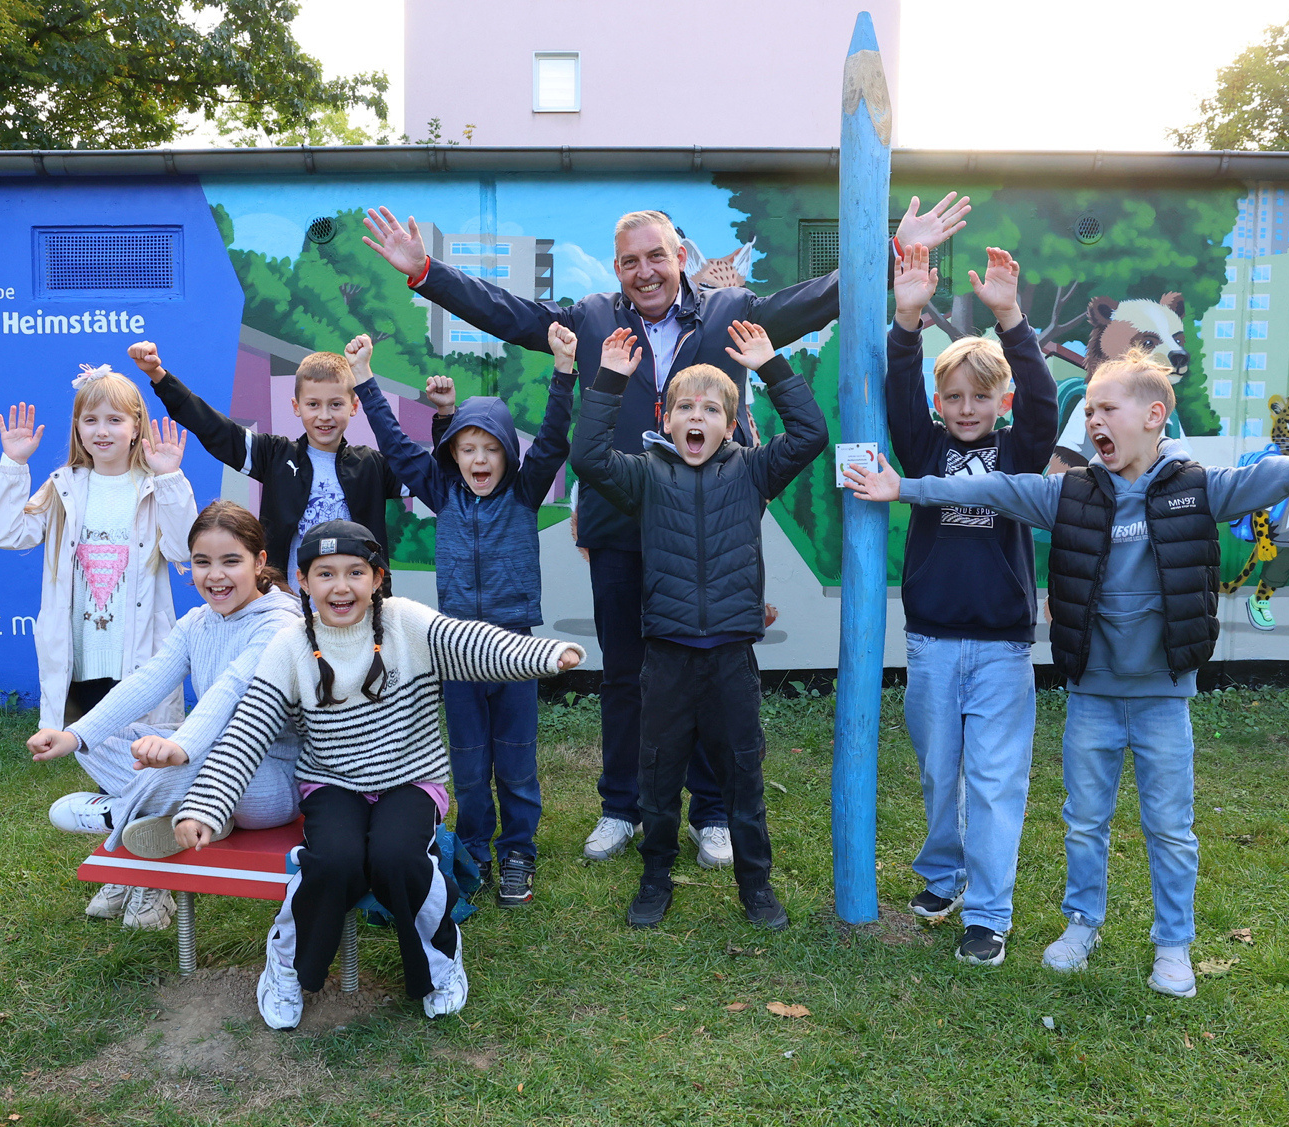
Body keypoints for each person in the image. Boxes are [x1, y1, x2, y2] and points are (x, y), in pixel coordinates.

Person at [843, 351, 1289, 995]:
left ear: (1154, 415)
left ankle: (1173, 944)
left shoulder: (1199, 488)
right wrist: (905, 488)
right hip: (1092, 697)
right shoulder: (1068, 495)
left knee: (1170, 828)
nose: (1092, 420)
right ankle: (1082, 924)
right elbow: (987, 488)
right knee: (1084, 823)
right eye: (1089, 410)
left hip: (1162, 700)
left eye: (1106, 408)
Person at [363, 194, 970, 867]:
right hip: (620, 522)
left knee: (710, 670)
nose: (645, 271)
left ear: (681, 257)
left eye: (657, 256)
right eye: (631, 262)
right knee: (625, 673)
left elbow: (817, 299)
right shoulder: (591, 320)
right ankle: (621, 806)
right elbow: (510, 315)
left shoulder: (731, 313)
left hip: (714, 528)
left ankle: (709, 813)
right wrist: (426, 272)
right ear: (616, 269)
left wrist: (891, 255)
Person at [172, 521, 584, 1029]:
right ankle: (285, 965)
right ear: (303, 581)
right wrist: (206, 805)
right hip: (332, 781)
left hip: (410, 778)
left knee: (398, 855)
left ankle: (440, 963)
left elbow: (475, 644)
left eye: (355, 573)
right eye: (325, 574)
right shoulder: (289, 646)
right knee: (333, 860)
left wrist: (543, 654)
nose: (340, 587)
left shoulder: (407, 624)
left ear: (378, 578)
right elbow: (248, 728)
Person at [570, 319, 826, 930]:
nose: (697, 417)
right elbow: (586, 455)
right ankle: (655, 876)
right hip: (667, 655)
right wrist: (609, 380)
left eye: (712, 409)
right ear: (665, 418)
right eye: (685, 406)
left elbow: (811, 433)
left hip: (731, 656)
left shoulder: (754, 471)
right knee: (658, 774)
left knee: (742, 770)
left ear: (732, 424)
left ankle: (756, 886)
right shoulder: (646, 476)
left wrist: (772, 367)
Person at [342, 326, 578, 907]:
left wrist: (565, 370)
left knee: (516, 759)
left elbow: (552, 439)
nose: (479, 458)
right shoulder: (443, 493)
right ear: (453, 455)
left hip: (516, 647)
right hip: (457, 648)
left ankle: (518, 850)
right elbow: (397, 446)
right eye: (467, 448)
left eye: (490, 447)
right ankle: (474, 846)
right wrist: (366, 380)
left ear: (507, 453)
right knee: (469, 761)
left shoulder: (524, 492)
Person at [885, 243, 1059, 966]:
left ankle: (988, 914)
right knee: (938, 772)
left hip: (1001, 647)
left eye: (979, 397)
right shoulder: (924, 452)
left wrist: (1010, 317)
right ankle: (943, 876)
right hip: (931, 641)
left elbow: (1047, 402)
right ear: (938, 402)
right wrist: (906, 318)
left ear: (1001, 401)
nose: (965, 409)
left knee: (994, 781)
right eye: (953, 397)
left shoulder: (1019, 455)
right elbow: (897, 391)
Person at [22, 502, 304, 927]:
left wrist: (179, 747)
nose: (215, 576)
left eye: (231, 561)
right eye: (202, 562)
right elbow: (148, 680)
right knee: (101, 741)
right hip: (208, 752)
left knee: (180, 769)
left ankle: (116, 820)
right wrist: (76, 735)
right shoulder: (197, 622)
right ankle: (187, 813)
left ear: (260, 561)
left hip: (270, 776)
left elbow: (229, 692)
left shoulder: (280, 624)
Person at [0, 364, 195, 729]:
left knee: (147, 756)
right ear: (78, 429)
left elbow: (184, 551)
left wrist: (171, 478)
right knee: (93, 753)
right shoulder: (63, 487)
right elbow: (6, 533)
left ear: (135, 427)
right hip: (80, 657)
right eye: (90, 420)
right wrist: (14, 464)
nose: (101, 430)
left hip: (141, 655)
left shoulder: (155, 486)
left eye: (115, 419)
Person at [127, 340, 403, 588]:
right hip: (289, 608)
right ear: (296, 406)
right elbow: (213, 428)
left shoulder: (372, 465)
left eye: (335, 404)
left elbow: (423, 471)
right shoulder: (275, 455)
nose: (324, 415)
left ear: (354, 406)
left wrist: (441, 420)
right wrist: (158, 376)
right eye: (313, 404)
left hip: (356, 607)